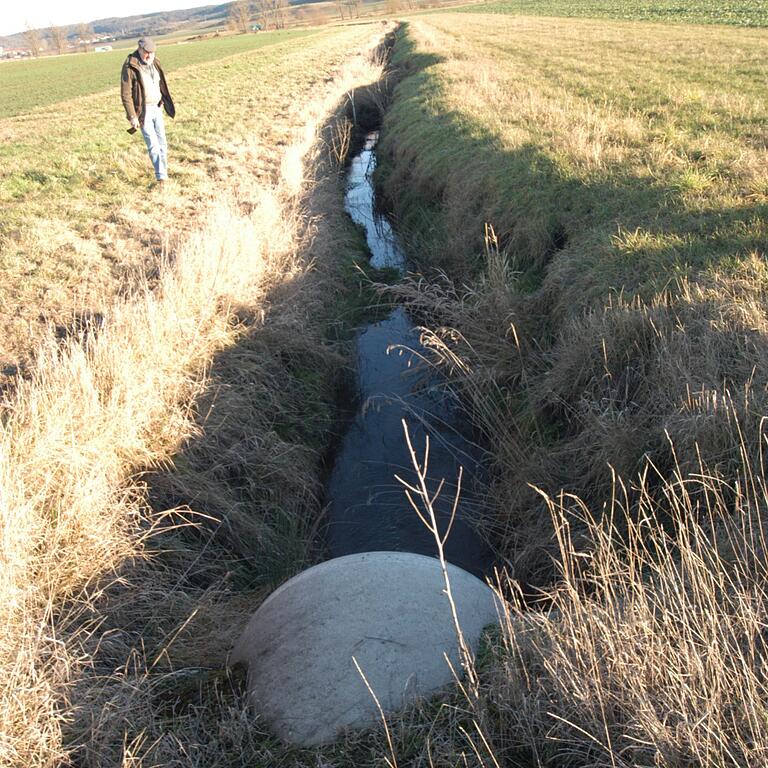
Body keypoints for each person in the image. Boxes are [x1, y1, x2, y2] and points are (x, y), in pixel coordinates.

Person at [120, 37, 176, 183]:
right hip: (143, 111)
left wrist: (162, 98)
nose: (150, 55)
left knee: (162, 142)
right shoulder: (130, 66)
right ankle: (161, 177)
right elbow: (126, 94)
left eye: (152, 52)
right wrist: (132, 116)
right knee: (153, 145)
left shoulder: (155, 62)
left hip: (157, 107)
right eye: (147, 52)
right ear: (140, 49)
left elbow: (160, 83)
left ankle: (163, 171)